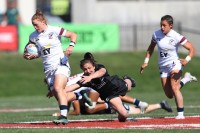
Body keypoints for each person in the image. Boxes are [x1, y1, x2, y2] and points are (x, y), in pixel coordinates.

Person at [65, 52, 172, 122]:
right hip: (109, 95)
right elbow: (73, 86)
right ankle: (122, 118)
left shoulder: (99, 68)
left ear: (93, 66)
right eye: (85, 70)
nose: (87, 71)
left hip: (116, 85)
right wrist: (57, 91)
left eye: (89, 68)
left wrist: (90, 77)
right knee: (124, 115)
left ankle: (128, 80)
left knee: (128, 87)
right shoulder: (85, 80)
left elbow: (102, 72)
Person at [23, 9, 77, 125]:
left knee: (58, 88)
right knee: (60, 95)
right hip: (48, 69)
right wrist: (29, 56)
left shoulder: (54, 30)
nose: (35, 27)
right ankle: (79, 95)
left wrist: (71, 46)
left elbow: (73, 34)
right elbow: (28, 50)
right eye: (33, 25)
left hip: (60, 64)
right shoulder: (33, 36)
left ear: (43, 21)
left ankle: (63, 117)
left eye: (36, 25)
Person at [140, 15, 197, 119]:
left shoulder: (176, 36)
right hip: (163, 67)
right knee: (169, 95)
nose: (162, 27)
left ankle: (180, 114)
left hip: (175, 64)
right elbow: (150, 48)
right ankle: (186, 79)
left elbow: (191, 48)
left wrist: (186, 60)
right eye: (161, 25)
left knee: (175, 88)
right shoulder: (156, 34)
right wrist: (146, 61)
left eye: (164, 25)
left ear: (171, 25)